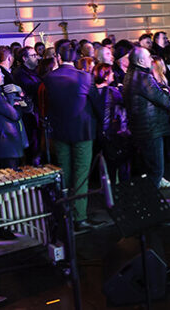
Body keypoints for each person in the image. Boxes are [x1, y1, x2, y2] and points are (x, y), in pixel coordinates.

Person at [43, 42, 103, 231]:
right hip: (83, 130)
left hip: (59, 131)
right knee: (81, 173)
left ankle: (65, 213)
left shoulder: (49, 77)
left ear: (58, 57)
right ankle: (80, 217)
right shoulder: (85, 77)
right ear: (76, 58)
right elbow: (97, 104)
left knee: (65, 172)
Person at [123, 47, 170, 189]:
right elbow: (164, 101)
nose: (151, 59)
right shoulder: (143, 78)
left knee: (150, 169)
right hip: (151, 129)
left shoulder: (129, 76)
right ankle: (151, 200)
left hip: (140, 129)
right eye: (149, 57)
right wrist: (166, 92)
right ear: (140, 61)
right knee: (156, 170)